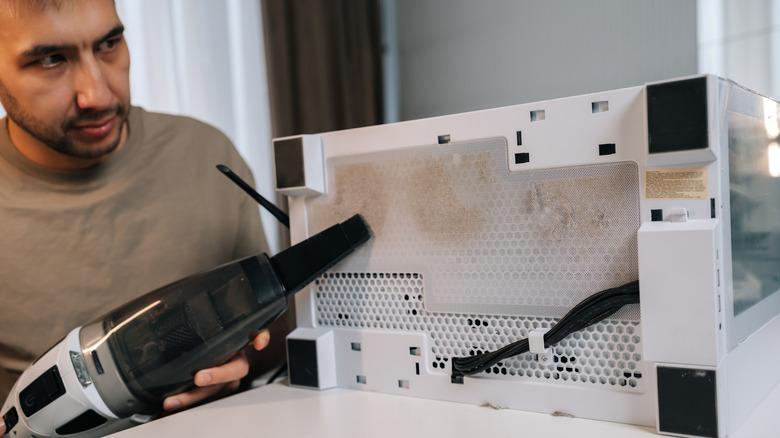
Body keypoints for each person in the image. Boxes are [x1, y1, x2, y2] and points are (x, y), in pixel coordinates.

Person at [0, 0, 277, 433]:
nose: (99, 95)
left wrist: (237, 363)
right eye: (50, 59)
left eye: (109, 43)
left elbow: (271, 340)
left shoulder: (207, 155)